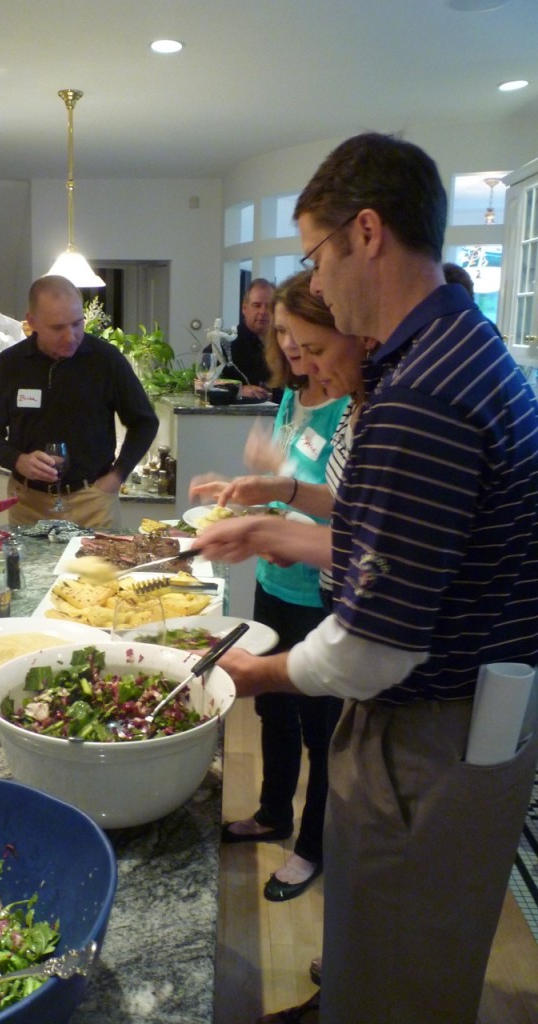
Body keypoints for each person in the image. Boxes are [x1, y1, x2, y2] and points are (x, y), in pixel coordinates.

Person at [196, 132, 538, 1024]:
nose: (318, 276)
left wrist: (251, 676)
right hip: (476, 721)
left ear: (368, 233)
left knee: (405, 948)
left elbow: (374, 648)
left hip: (429, 734)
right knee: (402, 936)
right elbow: (406, 539)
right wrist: (278, 512)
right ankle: (353, 990)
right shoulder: (462, 347)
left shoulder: (419, 393)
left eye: (317, 253)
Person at [193, 272, 350, 905]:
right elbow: (295, 481)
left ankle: (313, 847)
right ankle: (273, 813)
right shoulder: (293, 399)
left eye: (300, 333)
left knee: (322, 728)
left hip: (320, 590)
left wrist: (276, 512)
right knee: (274, 709)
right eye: (280, 331)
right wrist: (259, 482)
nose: (289, 345)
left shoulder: (351, 403)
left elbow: (347, 515)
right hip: (273, 578)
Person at [0, 274, 158, 529]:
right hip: (28, 504)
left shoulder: (105, 359)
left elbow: (144, 422)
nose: (71, 336)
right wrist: (18, 460)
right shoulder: (9, 364)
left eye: (77, 324)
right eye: (57, 328)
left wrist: (116, 477)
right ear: (31, 322)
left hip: (92, 503)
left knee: (100, 570)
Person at [215, 278, 276, 400]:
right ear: (244, 308)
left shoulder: (285, 343)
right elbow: (202, 383)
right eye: (257, 305)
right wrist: (238, 390)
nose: (263, 312)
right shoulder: (225, 343)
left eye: (269, 306)